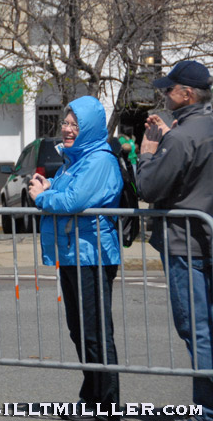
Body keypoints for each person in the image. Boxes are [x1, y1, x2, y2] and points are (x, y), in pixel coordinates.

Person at [28, 96, 122, 419]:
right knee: (79, 331)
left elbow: (73, 200)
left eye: (74, 125)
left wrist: (43, 196)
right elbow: (66, 191)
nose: (67, 130)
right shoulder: (76, 160)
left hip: (92, 255)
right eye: (65, 123)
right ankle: (92, 397)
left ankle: (106, 405)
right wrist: (49, 184)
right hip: (72, 254)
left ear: (90, 128)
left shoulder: (99, 160)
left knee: (95, 332)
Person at [136, 60, 213, 421]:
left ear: (187, 94)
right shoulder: (194, 131)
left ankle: (206, 409)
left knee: (196, 331)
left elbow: (149, 186)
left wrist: (148, 153)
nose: (165, 95)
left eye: (170, 89)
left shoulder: (182, 137)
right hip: (203, 240)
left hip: (187, 245)